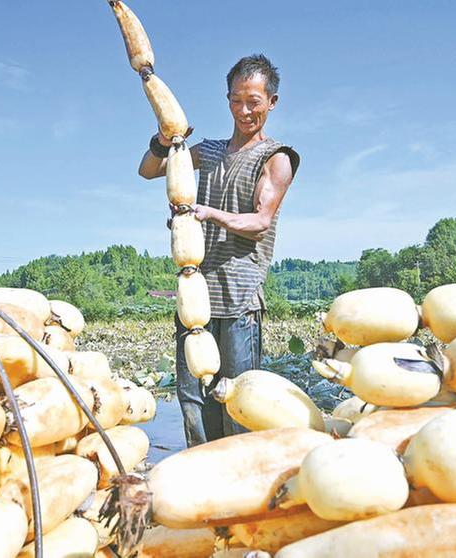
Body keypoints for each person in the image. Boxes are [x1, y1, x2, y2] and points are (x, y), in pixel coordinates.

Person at [138, 54, 300, 447]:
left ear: (272, 102)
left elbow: (261, 220)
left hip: (240, 300)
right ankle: (200, 470)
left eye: (254, 102)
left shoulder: (276, 157)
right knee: (193, 398)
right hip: (195, 297)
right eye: (236, 100)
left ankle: (241, 475)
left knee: (239, 397)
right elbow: (148, 170)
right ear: (227, 100)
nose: (245, 111)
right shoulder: (208, 152)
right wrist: (163, 142)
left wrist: (209, 213)